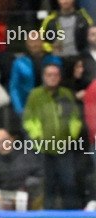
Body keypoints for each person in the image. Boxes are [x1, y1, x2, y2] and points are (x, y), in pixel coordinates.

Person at [23, 63, 83, 208]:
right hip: (43, 150)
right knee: (48, 185)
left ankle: (71, 216)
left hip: (65, 148)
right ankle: (47, 215)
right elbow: (28, 119)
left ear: (60, 77)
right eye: (49, 75)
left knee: (69, 184)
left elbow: (75, 117)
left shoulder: (66, 94)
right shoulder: (35, 95)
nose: (52, 78)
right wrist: (38, 137)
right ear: (44, 77)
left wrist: (72, 136)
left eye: (55, 75)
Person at [0, 129, 44, 205]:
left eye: (5, 140)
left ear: (12, 139)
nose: (2, 145)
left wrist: (27, 188)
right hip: (4, 204)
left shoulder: (28, 158)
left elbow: (40, 177)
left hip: (29, 202)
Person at [9, 31, 61, 117]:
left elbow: (60, 84)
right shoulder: (19, 63)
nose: (34, 45)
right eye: (31, 41)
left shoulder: (54, 60)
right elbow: (14, 88)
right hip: (27, 107)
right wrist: (20, 110)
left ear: (42, 41)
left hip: (51, 106)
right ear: (27, 44)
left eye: (36, 40)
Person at [40, 0, 94, 78]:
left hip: (79, 59)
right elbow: (40, 41)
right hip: (58, 61)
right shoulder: (50, 20)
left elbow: (92, 37)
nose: (65, 1)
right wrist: (51, 48)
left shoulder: (83, 18)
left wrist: (84, 56)